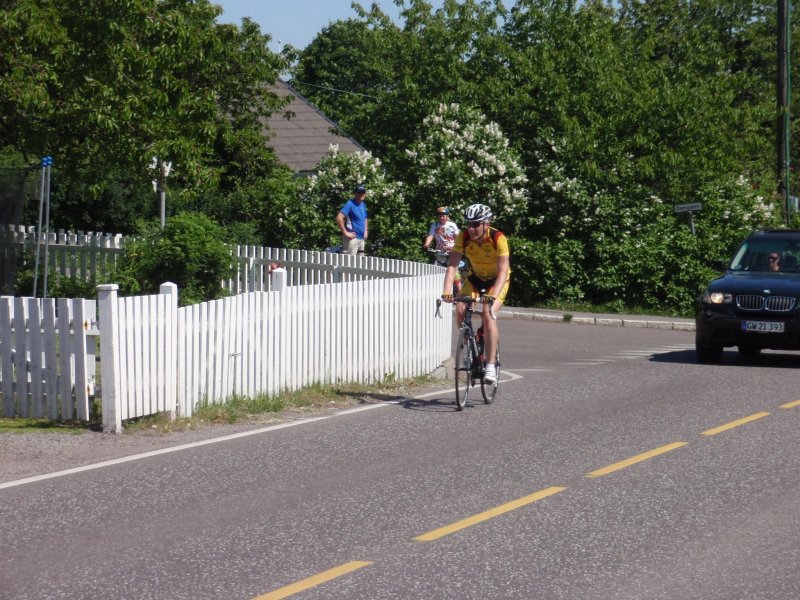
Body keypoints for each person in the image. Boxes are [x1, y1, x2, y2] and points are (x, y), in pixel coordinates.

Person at [441, 203, 510, 384]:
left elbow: (503, 271)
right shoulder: (463, 237)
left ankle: (491, 365)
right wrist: (446, 291)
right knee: (460, 309)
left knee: (488, 315)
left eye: (476, 224)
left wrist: (493, 296)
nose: (471, 229)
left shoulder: (498, 238)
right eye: (468, 224)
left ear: (486, 224)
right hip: (476, 278)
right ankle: (469, 346)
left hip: (497, 280)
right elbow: (453, 265)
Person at [336, 184, 368, 255]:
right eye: (359, 193)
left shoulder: (363, 205)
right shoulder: (350, 204)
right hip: (352, 239)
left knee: (361, 261)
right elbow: (339, 218)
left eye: (363, 193)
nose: (361, 194)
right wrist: (345, 233)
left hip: (361, 239)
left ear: (365, 194)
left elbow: (365, 218)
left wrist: (365, 231)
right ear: (355, 193)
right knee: (349, 261)